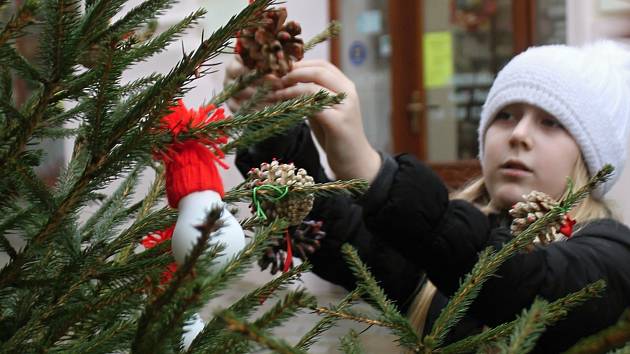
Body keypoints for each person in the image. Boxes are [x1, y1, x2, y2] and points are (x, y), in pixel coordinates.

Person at [225, 41, 630, 352]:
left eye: (551, 122)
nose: (519, 134)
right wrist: (271, 123)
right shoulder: (436, 246)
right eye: (506, 115)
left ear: (590, 155)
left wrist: (375, 172)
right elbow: (334, 230)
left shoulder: (611, 255)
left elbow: (521, 282)